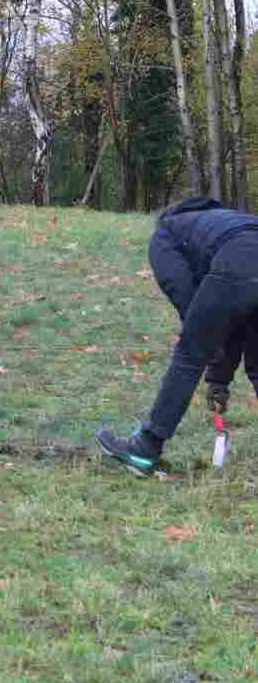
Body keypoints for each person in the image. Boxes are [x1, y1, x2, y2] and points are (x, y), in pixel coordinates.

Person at [98, 197, 258, 476]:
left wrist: (204, 335)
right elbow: (236, 314)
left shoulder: (166, 233)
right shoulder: (222, 222)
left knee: (190, 354)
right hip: (244, 259)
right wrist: (218, 379)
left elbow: (184, 293)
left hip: (240, 260)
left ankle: (145, 448)